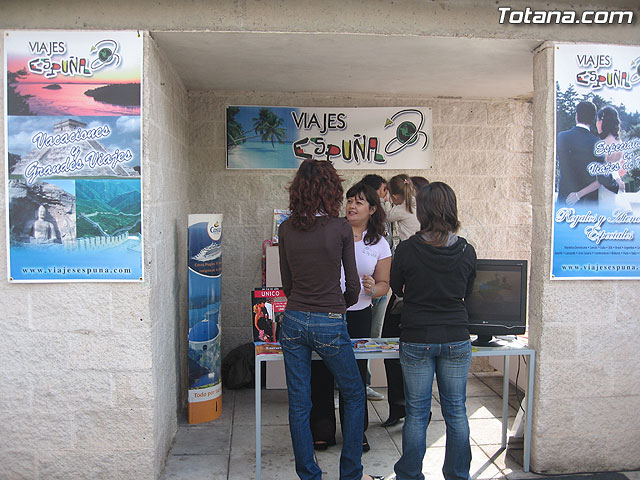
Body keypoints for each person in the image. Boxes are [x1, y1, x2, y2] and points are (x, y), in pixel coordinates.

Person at [278, 160, 382, 480]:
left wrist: (305, 303)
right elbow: (352, 285)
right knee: (352, 393)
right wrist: (340, 307)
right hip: (329, 319)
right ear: (332, 190)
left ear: (298, 190)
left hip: (293, 320)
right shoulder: (339, 227)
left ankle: (309, 474)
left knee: (300, 401)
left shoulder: (285, 228)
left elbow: (287, 285)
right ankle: (350, 473)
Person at [391, 182, 477, 480]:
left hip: (416, 336)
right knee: (456, 411)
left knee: (416, 411)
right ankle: (457, 475)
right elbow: (467, 291)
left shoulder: (406, 249)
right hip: (455, 336)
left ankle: (410, 475)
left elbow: (395, 288)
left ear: (423, 211)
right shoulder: (466, 250)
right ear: (451, 209)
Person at [310, 182, 391, 453]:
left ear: (372, 209)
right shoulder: (331, 232)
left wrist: (373, 288)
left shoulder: (378, 243)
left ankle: (356, 432)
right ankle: (322, 430)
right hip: (326, 313)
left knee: (354, 376)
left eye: (358, 202)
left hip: (358, 315)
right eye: (349, 201)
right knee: (321, 371)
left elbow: (384, 284)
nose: (352, 206)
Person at [359, 174, 391, 401]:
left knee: (370, 339)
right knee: (355, 339)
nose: (385, 196)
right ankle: (349, 386)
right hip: (356, 298)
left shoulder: (384, 223)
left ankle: (364, 383)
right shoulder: (347, 230)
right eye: (383, 191)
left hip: (379, 290)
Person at [567, 105, 629, 211]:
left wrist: (578, 194)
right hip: (618, 194)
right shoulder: (619, 142)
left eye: (597, 120)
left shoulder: (602, 145)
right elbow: (615, 171)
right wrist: (618, 180)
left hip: (605, 193)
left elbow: (601, 180)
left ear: (601, 122)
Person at [557, 100, 618, 205]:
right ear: (593, 119)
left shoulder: (562, 137)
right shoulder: (597, 143)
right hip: (588, 205)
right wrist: (616, 185)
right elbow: (603, 177)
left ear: (576, 116)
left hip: (564, 200)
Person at [384, 174, 420, 242]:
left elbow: (386, 217)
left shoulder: (402, 208)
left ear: (395, 197)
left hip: (409, 245)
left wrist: (386, 202)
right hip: (421, 243)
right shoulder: (417, 202)